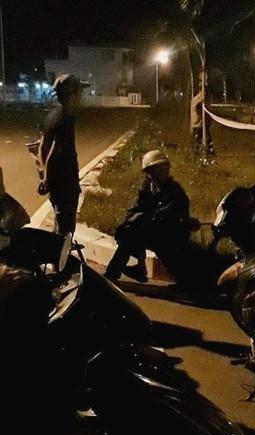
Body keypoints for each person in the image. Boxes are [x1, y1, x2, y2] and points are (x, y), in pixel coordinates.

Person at [104, 150, 190, 283]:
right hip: (153, 231)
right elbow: (134, 210)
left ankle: (134, 269)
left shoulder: (174, 192)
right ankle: (116, 272)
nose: (159, 173)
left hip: (171, 236)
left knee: (135, 230)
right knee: (129, 232)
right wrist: (130, 223)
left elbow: (163, 218)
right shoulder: (147, 189)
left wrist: (139, 220)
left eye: (162, 168)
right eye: (155, 170)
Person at [39, 74, 90, 236]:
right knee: (65, 233)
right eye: (79, 92)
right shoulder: (66, 119)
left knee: (59, 225)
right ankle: (59, 253)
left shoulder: (52, 115)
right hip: (65, 184)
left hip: (56, 185)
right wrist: (46, 178)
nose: (81, 96)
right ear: (71, 95)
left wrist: (44, 173)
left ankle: (56, 250)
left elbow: (41, 146)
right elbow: (55, 150)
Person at [190, 86, 216, 159]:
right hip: (197, 124)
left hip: (203, 124)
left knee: (208, 138)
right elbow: (198, 109)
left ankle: (210, 152)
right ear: (200, 91)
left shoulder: (202, 100)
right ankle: (196, 154)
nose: (204, 94)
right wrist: (202, 101)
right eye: (203, 92)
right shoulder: (196, 99)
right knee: (197, 140)